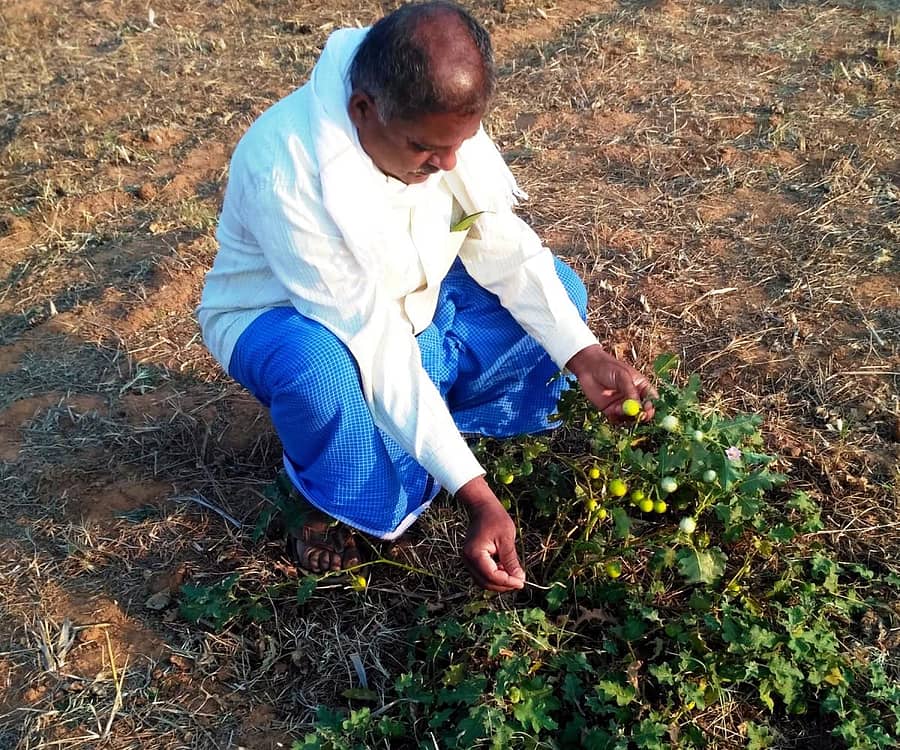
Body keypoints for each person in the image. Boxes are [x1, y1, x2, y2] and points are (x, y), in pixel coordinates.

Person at [197, 1, 656, 593]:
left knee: (558, 292)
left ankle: (424, 427)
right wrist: (478, 495)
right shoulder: (285, 169)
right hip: (288, 319)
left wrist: (586, 355)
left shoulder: (428, 117)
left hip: (410, 300)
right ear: (364, 110)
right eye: (426, 149)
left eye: (459, 143)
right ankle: (317, 493)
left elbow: (502, 243)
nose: (447, 164)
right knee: (323, 371)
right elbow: (374, 340)